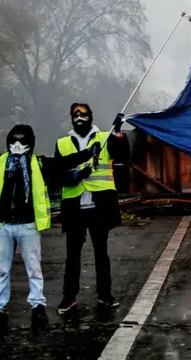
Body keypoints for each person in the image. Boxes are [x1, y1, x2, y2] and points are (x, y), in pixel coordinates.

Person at [0, 125, 98, 329]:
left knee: (34, 270)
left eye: (21, 142)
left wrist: (87, 153)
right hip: (4, 225)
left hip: (28, 225)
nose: (16, 146)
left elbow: (62, 164)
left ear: (30, 144)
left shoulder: (38, 164)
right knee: (2, 270)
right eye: (13, 141)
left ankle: (38, 309)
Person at [55, 103, 129, 314]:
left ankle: (105, 294)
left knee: (101, 253)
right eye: (75, 114)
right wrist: (77, 175)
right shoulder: (62, 143)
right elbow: (58, 174)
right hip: (74, 206)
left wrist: (117, 133)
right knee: (72, 255)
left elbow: (122, 155)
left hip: (99, 206)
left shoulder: (105, 138)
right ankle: (69, 297)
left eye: (83, 113)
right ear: (71, 118)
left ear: (91, 116)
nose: (79, 117)